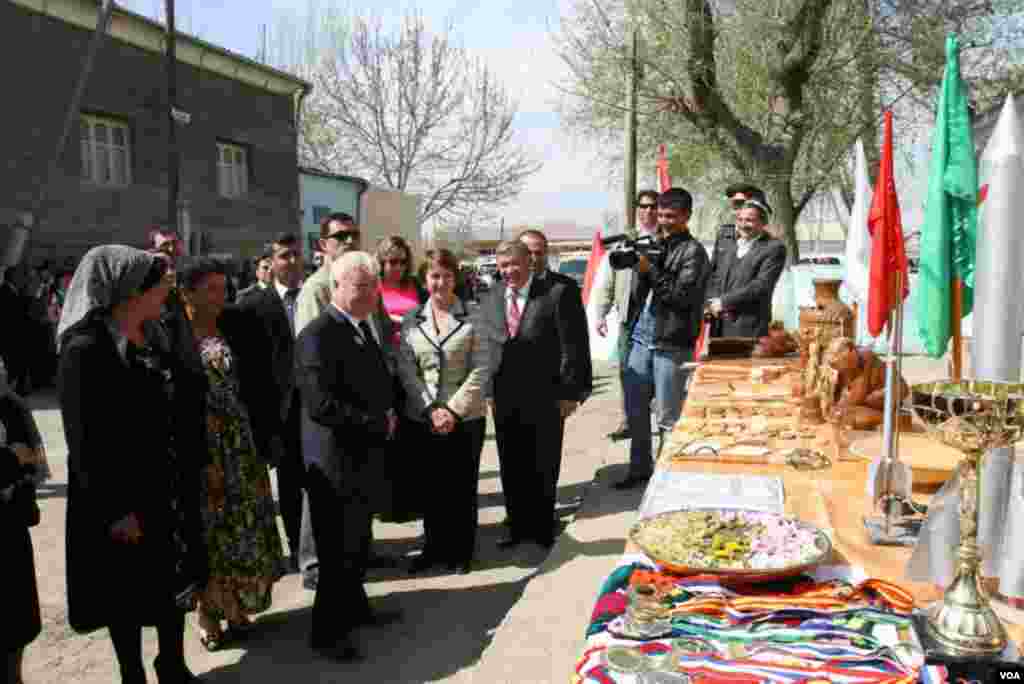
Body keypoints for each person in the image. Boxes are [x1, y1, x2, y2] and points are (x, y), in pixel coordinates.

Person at [57, 246, 208, 684]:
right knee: (123, 590)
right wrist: (115, 511)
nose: (166, 291)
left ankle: (172, 663)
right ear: (128, 292)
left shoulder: (158, 336)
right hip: (118, 493)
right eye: (157, 284)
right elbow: (84, 441)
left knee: (171, 578)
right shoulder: (83, 350)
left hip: (166, 482)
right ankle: (131, 673)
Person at [296, 251, 402, 663]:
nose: (369, 293)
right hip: (333, 461)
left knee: (356, 544)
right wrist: (375, 422)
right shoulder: (318, 335)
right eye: (360, 286)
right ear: (335, 288)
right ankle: (327, 632)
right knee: (335, 552)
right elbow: (321, 404)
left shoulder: (361, 327)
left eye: (373, 286)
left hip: (362, 456)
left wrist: (388, 412)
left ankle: (356, 610)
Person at [176, 258, 285, 651]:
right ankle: (208, 610)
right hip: (202, 449)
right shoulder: (171, 333)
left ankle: (237, 604)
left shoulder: (236, 324)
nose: (222, 297)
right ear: (186, 292)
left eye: (224, 287)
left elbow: (259, 382)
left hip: (241, 445)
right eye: (212, 289)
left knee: (244, 528)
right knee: (209, 532)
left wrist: (267, 435)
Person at [478, 240, 592, 549]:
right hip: (504, 396)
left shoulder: (555, 294)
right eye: (503, 266)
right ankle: (516, 525)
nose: (509, 271)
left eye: (515, 264)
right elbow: (486, 347)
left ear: (529, 261)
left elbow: (573, 346)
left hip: (546, 394)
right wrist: (487, 390)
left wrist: (570, 393)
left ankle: (542, 528)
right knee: (511, 463)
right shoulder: (490, 298)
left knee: (543, 462)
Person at [397, 249, 489, 575]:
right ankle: (433, 548)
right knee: (431, 486)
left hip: (465, 417)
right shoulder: (412, 320)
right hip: (423, 417)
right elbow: (407, 370)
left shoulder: (474, 315)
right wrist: (429, 408)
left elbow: (481, 368)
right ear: (425, 280)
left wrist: (452, 410)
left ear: (456, 278)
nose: (441, 283)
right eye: (434, 276)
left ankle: (461, 550)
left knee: (461, 486)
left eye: (447, 276)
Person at [618, 188, 711, 489]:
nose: (665, 221)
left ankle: (667, 478)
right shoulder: (655, 243)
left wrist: (650, 269)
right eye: (661, 215)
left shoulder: (694, 252)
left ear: (686, 216)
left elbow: (680, 297)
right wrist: (637, 261)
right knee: (635, 409)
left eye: (671, 216)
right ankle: (639, 470)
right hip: (642, 336)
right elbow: (640, 289)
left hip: (671, 341)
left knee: (668, 417)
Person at [239, 233, 305, 569]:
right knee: (291, 485)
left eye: (295, 254)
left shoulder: (317, 295)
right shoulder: (252, 307)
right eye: (283, 256)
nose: (291, 262)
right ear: (270, 261)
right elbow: (249, 369)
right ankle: (298, 549)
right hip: (280, 413)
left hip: (317, 407)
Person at [593, 190, 660, 441]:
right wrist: (601, 314)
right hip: (627, 319)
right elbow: (608, 282)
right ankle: (628, 419)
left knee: (654, 372)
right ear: (637, 210)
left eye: (653, 207)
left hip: (656, 319)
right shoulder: (624, 243)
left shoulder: (665, 242)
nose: (648, 211)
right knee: (626, 372)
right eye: (643, 206)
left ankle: (654, 414)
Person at [1, 358, 43, 684]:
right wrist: (10, 458)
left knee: (16, 629)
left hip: (9, 526)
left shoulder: (10, 405)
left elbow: (35, 461)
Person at [705, 198, 786, 339]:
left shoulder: (774, 248)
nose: (743, 225)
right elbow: (714, 275)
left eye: (749, 220)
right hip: (719, 325)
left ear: (763, 223)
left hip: (749, 328)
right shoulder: (730, 245)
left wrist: (724, 302)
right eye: (740, 220)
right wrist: (710, 302)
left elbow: (761, 286)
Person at [376, 236, 426, 344]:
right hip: (385, 353)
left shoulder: (416, 284)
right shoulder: (373, 286)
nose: (399, 267)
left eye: (403, 262)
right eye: (393, 262)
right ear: (381, 262)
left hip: (414, 352)